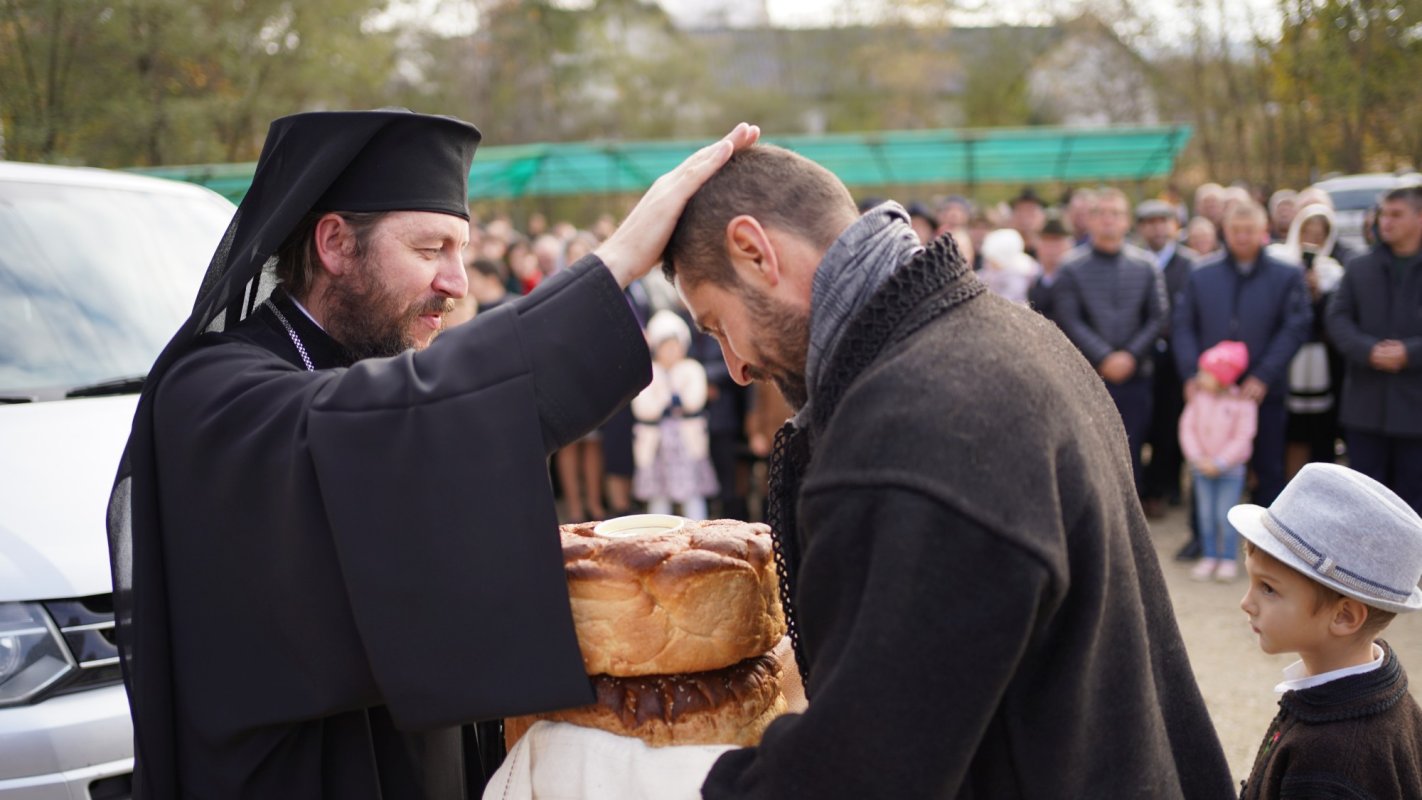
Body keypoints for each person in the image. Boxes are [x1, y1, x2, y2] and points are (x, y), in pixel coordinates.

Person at [104, 108, 760, 798]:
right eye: (429, 250)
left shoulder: (360, 361)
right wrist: (614, 264)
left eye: (462, 251)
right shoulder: (210, 395)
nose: (458, 282)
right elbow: (399, 417)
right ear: (334, 243)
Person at [657, 145, 1233, 797]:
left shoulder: (915, 423)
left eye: (717, 326)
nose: (735, 366)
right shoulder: (1012, 336)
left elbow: (866, 773)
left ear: (755, 251)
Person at [1232, 463, 1422, 799]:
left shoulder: (1329, 763)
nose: (1246, 603)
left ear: (1345, 616)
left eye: (1269, 589)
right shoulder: (1380, 690)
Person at [1174, 200, 1313, 509]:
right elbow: (1183, 325)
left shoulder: (1286, 274)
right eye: (1235, 230)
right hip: (1209, 390)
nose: (1242, 237)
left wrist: (1264, 374)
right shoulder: (1201, 273)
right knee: (1206, 462)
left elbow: (1295, 326)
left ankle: (1268, 540)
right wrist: (1191, 374)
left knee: (1268, 463)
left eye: (1249, 231)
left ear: (1263, 230)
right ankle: (1205, 538)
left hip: (1262, 389)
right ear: (1225, 231)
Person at [1053, 188, 1168, 495]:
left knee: (1131, 454)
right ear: (1089, 220)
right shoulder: (1070, 266)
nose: (1108, 220)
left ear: (1127, 221)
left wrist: (1129, 355)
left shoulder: (1146, 266)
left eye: (1115, 213)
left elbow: (1158, 317)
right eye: (1101, 213)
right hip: (1088, 377)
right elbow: (1069, 318)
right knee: (1087, 455)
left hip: (1135, 377)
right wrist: (1104, 357)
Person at [1324, 185, 1422, 512]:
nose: (1386, 222)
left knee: (1413, 503)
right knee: (1365, 502)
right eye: (1383, 214)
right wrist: (1368, 351)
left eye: (1397, 215)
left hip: (1415, 408)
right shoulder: (1359, 267)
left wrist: (1408, 353)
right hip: (1365, 406)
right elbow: (1337, 319)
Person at [1266, 204, 1346, 477]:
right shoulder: (1279, 264)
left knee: (1318, 428)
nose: (1312, 237)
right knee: (1289, 430)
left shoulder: (1334, 272)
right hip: (1287, 359)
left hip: (1320, 361)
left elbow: (1334, 321)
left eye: (1319, 233)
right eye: (1307, 230)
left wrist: (1318, 294)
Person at [1137, 198, 1198, 518]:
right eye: (1150, 222)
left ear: (1175, 226)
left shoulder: (1190, 264)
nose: (1158, 228)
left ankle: (1166, 485)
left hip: (1177, 357)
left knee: (1170, 422)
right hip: (1141, 355)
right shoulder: (1134, 261)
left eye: (1164, 221)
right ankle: (1143, 486)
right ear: (1140, 228)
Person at [1178, 341, 1256, 582]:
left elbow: (1243, 436)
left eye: (1205, 373)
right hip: (1201, 469)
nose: (1199, 377)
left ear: (1222, 377)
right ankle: (1210, 556)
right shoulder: (1198, 399)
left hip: (1229, 471)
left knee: (1225, 515)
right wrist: (1197, 458)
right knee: (1206, 515)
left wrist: (1221, 462)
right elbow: (1187, 428)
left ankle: (1228, 559)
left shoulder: (1242, 402)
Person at [631, 310, 719, 518]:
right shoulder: (649, 372)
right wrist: (663, 402)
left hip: (686, 442)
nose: (671, 351)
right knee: (658, 495)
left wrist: (680, 400)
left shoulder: (692, 369)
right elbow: (642, 406)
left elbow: (695, 399)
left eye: (675, 345)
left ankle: (698, 529)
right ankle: (658, 534)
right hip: (657, 444)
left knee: (692, 493)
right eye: (665, 346)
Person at [1026, 212, 1073, 321]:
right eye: (1046, 242)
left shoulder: (1077, 279)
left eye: (1057, 243)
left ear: (1069, 245)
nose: (1052, 250)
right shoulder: (1030, 277)